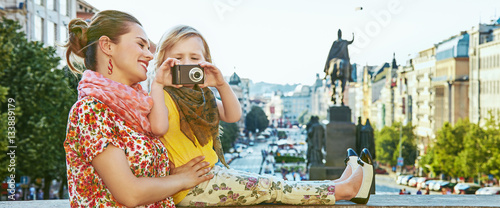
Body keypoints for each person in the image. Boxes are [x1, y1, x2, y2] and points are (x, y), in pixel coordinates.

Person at [150, 25, 374, 206]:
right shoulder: (162, 95)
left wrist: (221, 83)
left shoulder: (203, 96)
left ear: (205, 61)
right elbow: (159, 127)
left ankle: (340, 183)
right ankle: (345, 189)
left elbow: (233, 115)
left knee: (271, 184)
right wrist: (158, 84)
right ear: (163, 62)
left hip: (209, 178)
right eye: (178, 58)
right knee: (273, 186)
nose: (187, 64)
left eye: (194, 57)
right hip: (192, 188)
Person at [63, 10, 214, 207]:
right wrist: (182, 179)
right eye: (141, 44)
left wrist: (169, 175)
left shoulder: (137, 109)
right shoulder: (91, 110)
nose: (150, 55)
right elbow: (130, 193)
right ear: (107, 46)